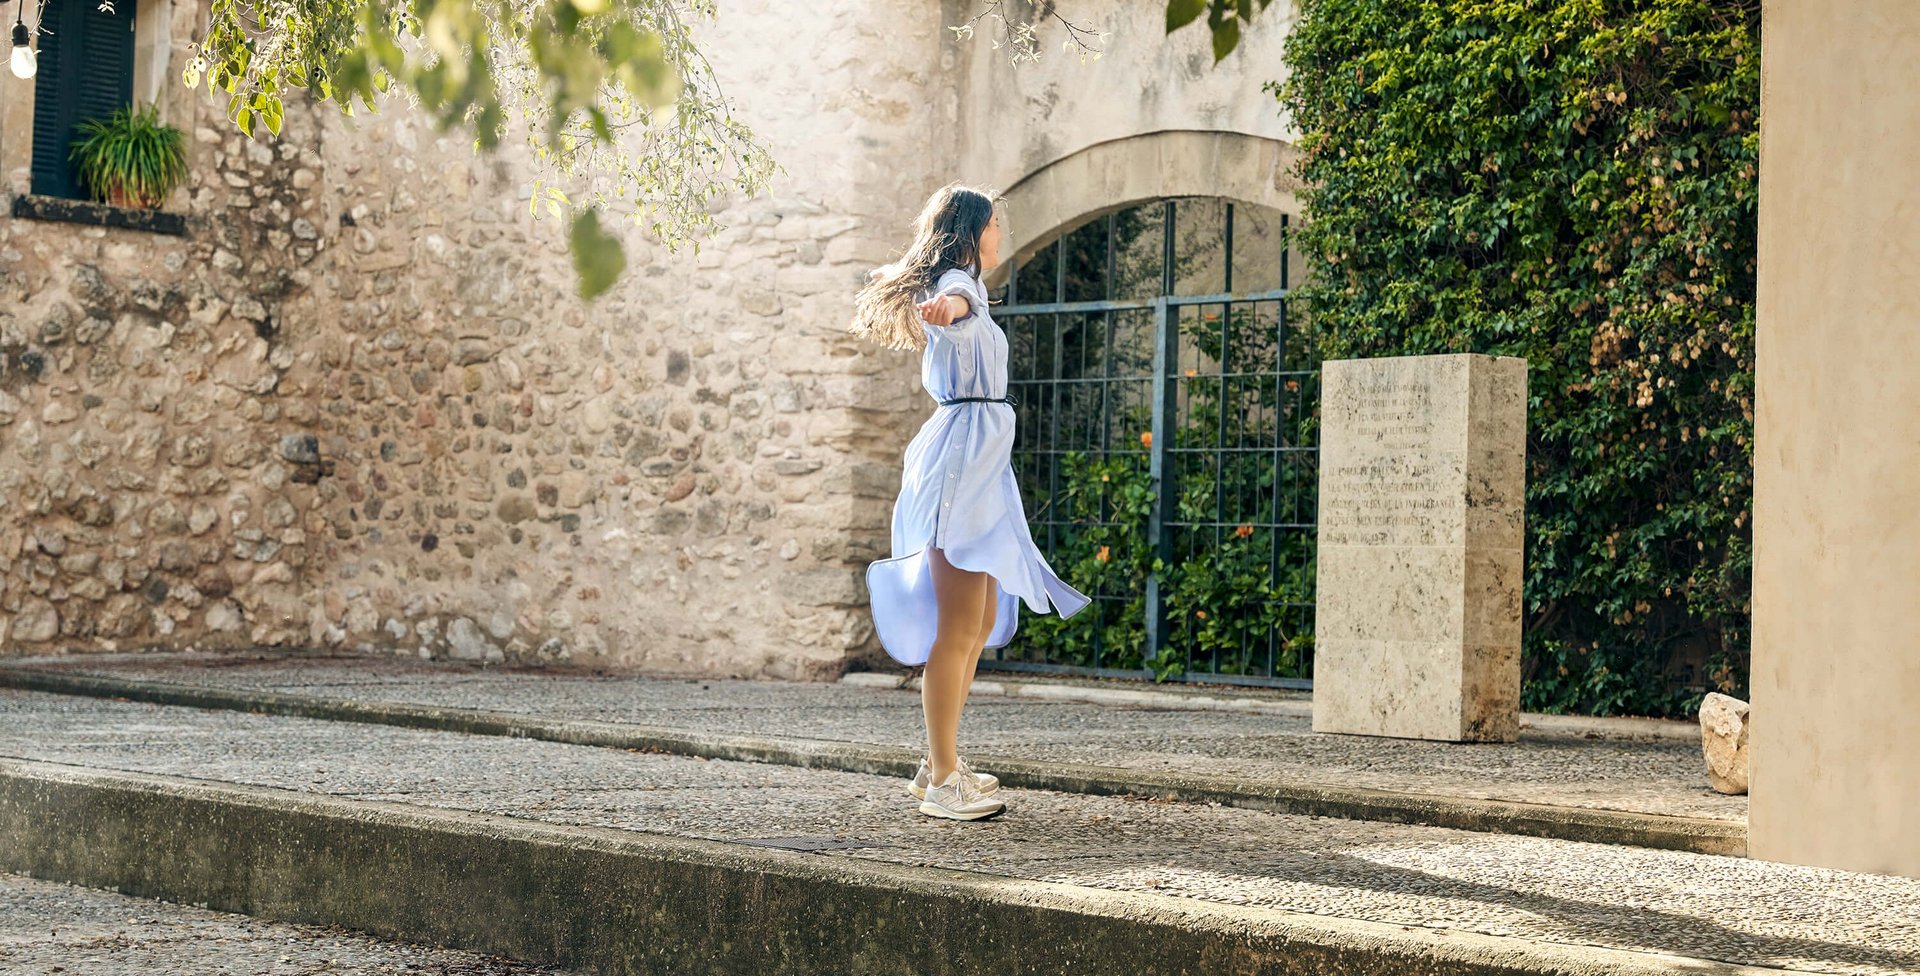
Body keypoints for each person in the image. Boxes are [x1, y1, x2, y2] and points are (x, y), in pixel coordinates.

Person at [849, 183, 1093, 821]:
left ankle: (941, 759)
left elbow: (961, 302)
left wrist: (952, 308)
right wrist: (944, 311)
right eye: (993, 224)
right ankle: (943, 780)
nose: (1000, 233)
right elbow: (953, 302)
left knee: (979, 622)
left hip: (978, 464)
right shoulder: (960, 285)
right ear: (970, 231)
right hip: (959, 468)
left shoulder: (972, 290)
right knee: (958, 627)